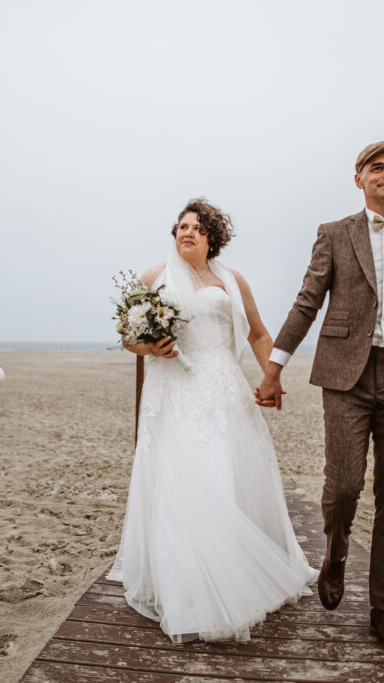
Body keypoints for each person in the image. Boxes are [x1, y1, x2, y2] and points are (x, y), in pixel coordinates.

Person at [256, 141, 384, 648]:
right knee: (345, 484)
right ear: (359, 179)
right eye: (377, 168)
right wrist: (275, 367)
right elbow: (307, 303)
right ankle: (336, 549)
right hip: (346, 375)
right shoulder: (334, 234)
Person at [108, 198, 317, 643]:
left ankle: (234, 573)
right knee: (179, 479)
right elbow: (127, 337)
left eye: (198, 228)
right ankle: (184, 586)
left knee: (223, 475)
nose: (187, 233)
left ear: (212, 238)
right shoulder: (152, 278)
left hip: (223, 390)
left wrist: (271, 375)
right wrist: (150, 349)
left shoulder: (232, 280)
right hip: (172, 391)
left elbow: (259, 333)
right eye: (182, 226)